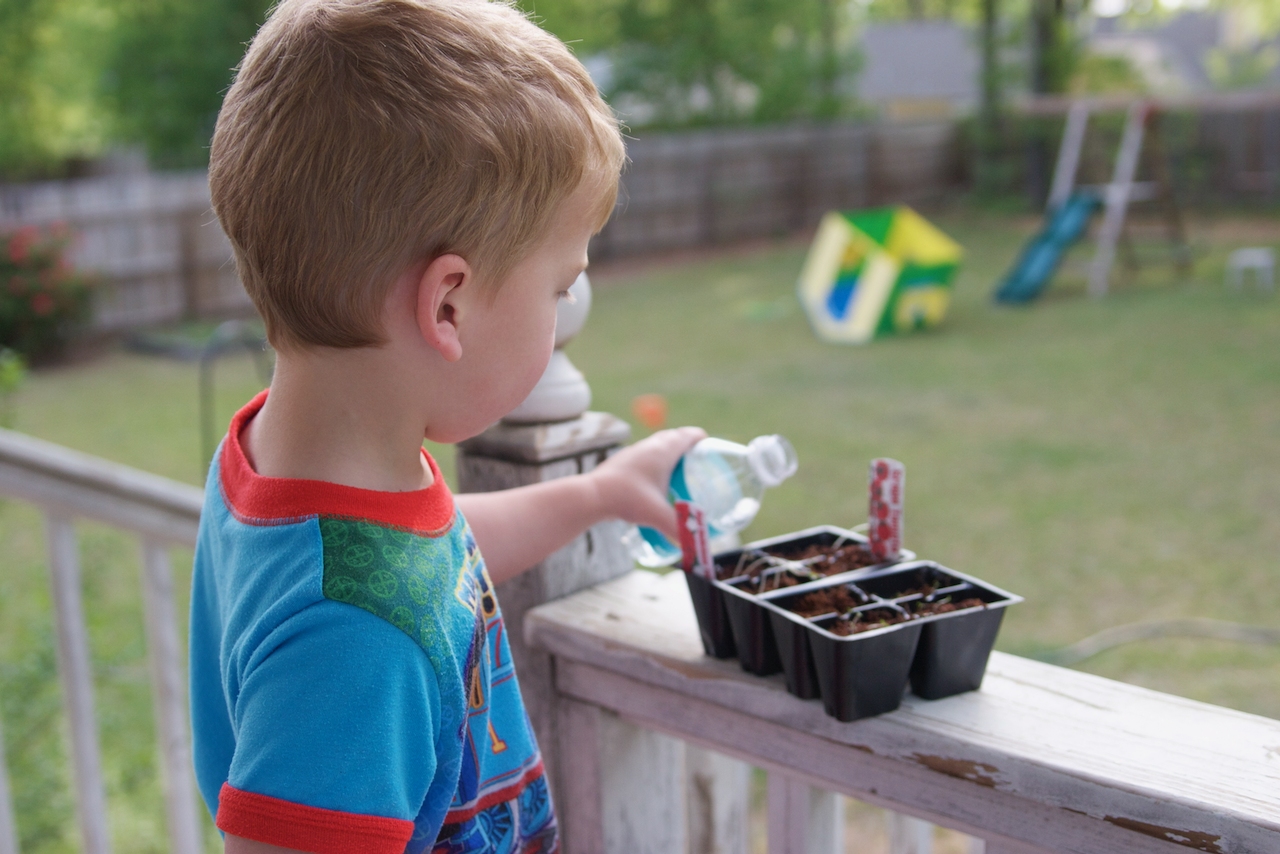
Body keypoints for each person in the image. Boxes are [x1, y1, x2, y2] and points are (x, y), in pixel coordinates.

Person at [189, 2, 703, 852]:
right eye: (559, 286)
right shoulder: (351, 643)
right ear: (449, 305)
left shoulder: (290, 469)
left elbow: (433, 567)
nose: (566, 307)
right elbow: (389, 613)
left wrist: (600, 494)